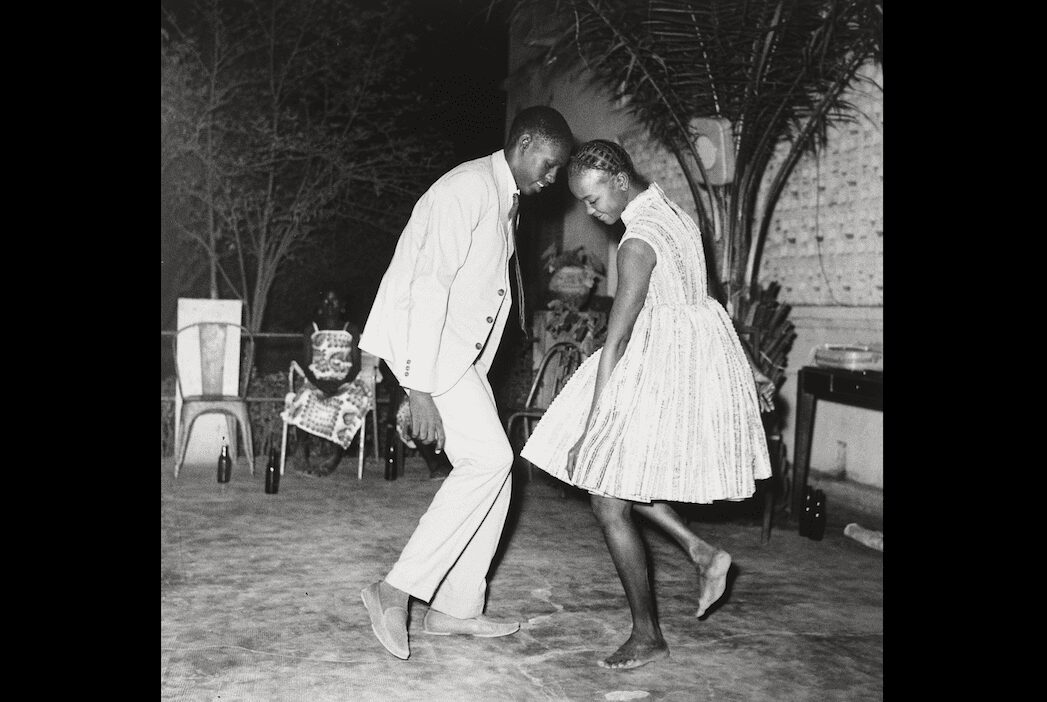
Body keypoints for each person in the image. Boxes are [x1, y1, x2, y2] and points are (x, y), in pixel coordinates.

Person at [520, 139, 775, 670]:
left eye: (593, 200)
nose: (593, 212)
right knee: (619, 484)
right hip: (693, 360)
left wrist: (591, 429)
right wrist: (746, 367)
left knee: (607, 496)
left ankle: (647, 634)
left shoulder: (637, 242)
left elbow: (614, 340)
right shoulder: (675, 212)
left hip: (656, 368)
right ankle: (701, 552)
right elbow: (707, 299)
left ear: (617, 179)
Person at [357, 105, 574, 660]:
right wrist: (418, 387)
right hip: (434, 357)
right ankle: (393, 589)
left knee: (497, 470)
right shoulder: (468, 188)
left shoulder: (500, 196)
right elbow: (426, 286)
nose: (551, 179)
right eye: (548, 165)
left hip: (458, 359)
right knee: (490, 463)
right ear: (524, 144)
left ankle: (456, 609)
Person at [281, 289, 374, 477]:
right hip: (317, 380)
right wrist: (319, 384)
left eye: (334, 301)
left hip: (346, 381)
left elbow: (355, 365)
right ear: (320, 307)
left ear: (342, 306)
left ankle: (335, 455)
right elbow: (307, 364)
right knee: (305, 397)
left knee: (348, 402)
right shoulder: (312, 329)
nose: (330, 305)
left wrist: (341, 384)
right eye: (326, 301)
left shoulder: (350, 329)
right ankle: (301, 452)